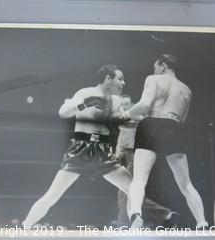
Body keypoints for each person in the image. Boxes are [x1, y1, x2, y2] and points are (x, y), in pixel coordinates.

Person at [22, 65, 134, 229]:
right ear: (108, 79)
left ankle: (135, 229)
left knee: (133, 189)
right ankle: (25, 227)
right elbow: (63, 112)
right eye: (120, 78)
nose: (123, 83)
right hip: (81, 148)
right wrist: (84, 104)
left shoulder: (117, 101)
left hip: (103, 150)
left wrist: (132, 117)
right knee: (53, 194)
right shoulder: (85, 93)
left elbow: (118, 123)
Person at [126, 54, 208, 229]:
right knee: (186, 183)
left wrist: (130, 114)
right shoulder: (186, 90)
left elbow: (144, 104)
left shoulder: (153, 79)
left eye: (155, 66)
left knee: (140, 179)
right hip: (174, 127)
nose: (154, 70)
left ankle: (136, 215)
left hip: (151, 124)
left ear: (162, 65)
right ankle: (202, 222)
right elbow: (182, 119)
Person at [114, 95, 178, 228]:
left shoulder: (139, 117)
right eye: (123, 105)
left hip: (134, 153)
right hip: (123, 153)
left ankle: (123, 222)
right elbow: (121, 132)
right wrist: (117, 153)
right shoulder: (122, 115)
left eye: (127, 104)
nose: (124, 107)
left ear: (133, 104)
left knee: (125, 189)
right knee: (125, 189)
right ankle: (165, 214)